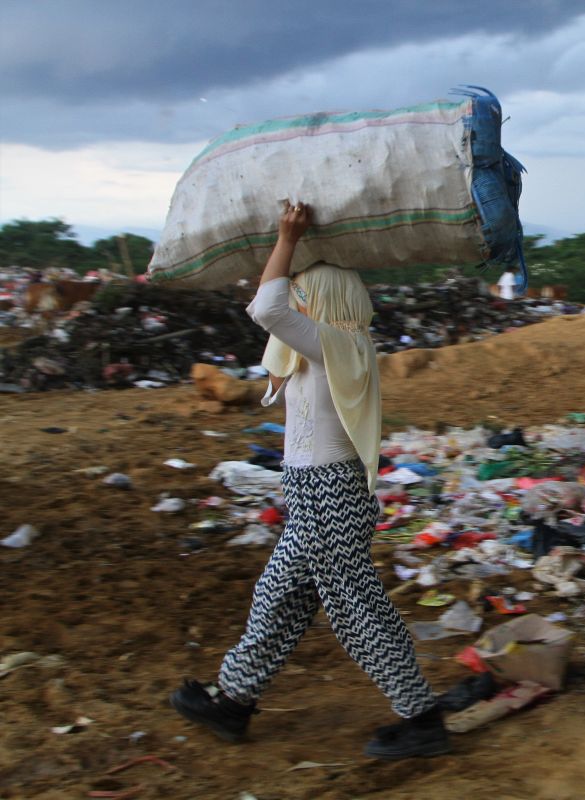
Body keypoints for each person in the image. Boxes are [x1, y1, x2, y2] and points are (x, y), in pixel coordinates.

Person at [169, 202, 448, 760]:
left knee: (354, 606)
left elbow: (267, 307)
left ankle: (421, 717)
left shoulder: (338, 345)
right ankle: (235, 700)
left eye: (306, 294)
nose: (296, 298)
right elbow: (276, 333)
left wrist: (288, 238)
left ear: (324, 303)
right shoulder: (319, 349)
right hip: (313, 494)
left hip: (329, 492)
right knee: (281, 596)